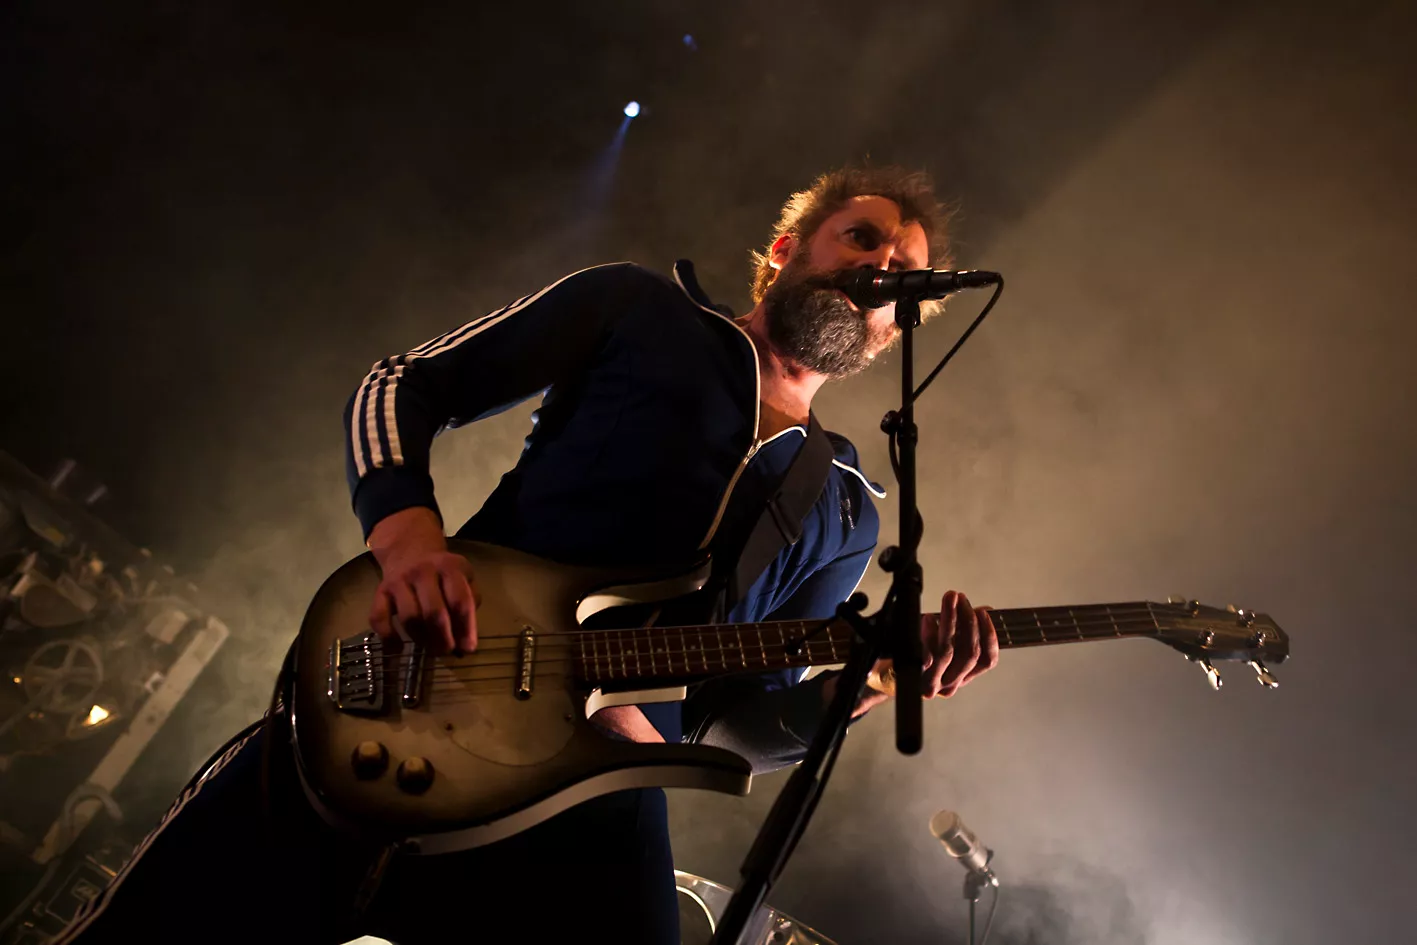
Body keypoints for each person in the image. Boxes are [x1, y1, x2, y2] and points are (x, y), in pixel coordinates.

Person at [56, 165, 999, 945]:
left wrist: (866, 682)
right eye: (861, 238)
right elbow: (402, 385)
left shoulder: (846, 510)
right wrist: (408, 539)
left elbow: (733, 728)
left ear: (900, 325)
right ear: (786, 250)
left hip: (590, 798)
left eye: (902, 270)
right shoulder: (641, 310)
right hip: (426, 685)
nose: (879, 266)